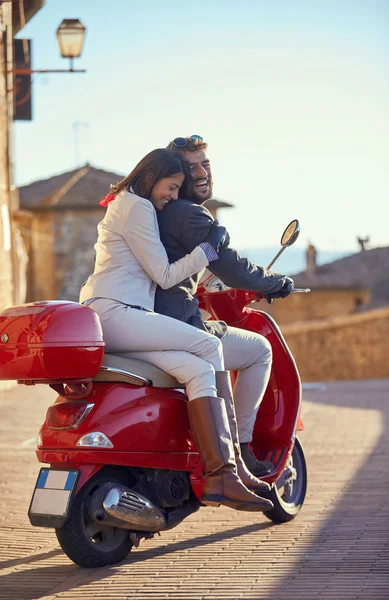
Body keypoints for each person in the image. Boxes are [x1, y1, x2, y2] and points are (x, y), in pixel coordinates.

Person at [80, 148, 274, 513]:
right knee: (208, 346)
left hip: (119, 314)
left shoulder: (128, 203)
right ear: (152, 177)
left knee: (198, 368)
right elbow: (165, 275)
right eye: (170, 187)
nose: (171, 196)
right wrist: (209, 247)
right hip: (118, 312)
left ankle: (222, 471)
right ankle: (226, 469)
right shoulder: (135, 206)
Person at [155, 136, 294, 476]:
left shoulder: (158, 211)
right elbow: (231, 266)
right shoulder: (188, 214)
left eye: (206, 164)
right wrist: (274, 282)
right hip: (179, 323)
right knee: (259, 351)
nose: (202, 173)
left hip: (149, 318)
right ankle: (241, 449)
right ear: (176, 175)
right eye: (191, 168)